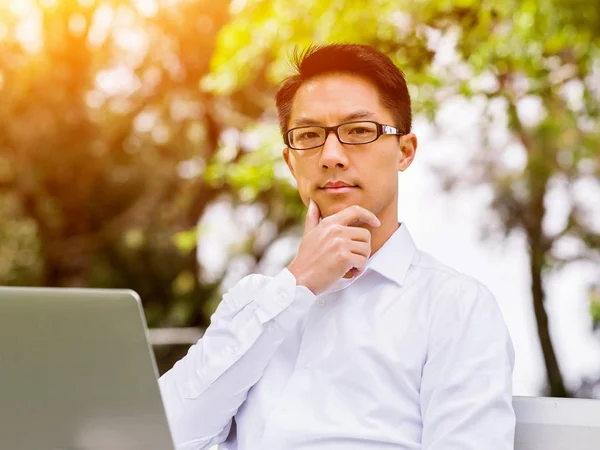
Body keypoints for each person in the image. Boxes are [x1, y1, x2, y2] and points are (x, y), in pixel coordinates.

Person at [158, 43, 515, 450]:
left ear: (405, 151)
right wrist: (296, 286)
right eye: (309, 136)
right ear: (291, 162)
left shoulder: (454, 306)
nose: (330, 156)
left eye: (359, 131)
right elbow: (158, 435)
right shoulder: (253, 303)